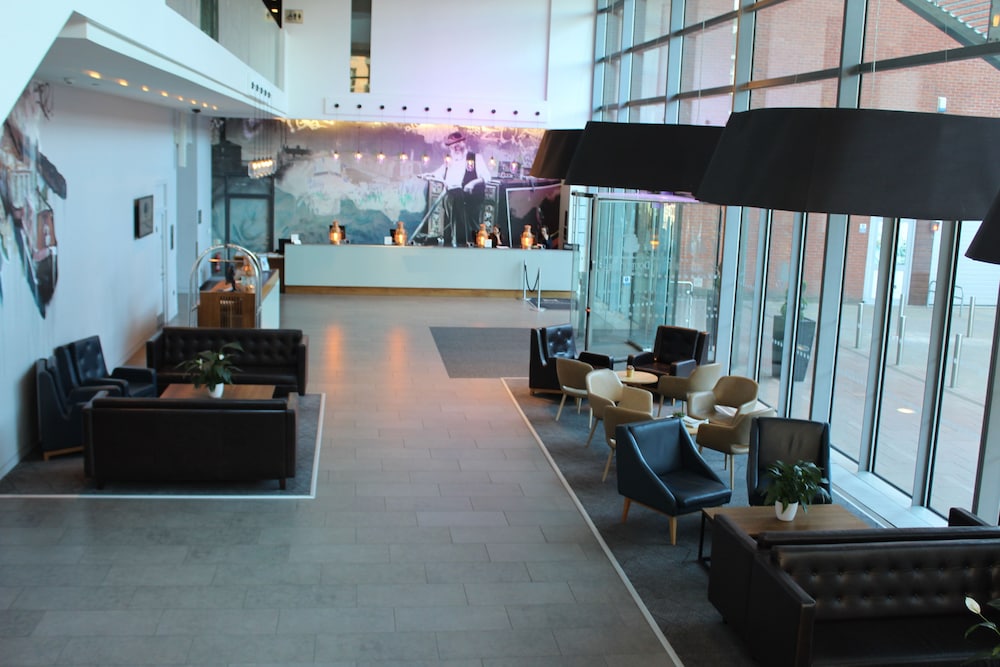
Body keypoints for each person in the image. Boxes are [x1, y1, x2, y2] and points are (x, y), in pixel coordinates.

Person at [423, 131, 492, 246]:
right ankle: (455, 242)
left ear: (463, 142)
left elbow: (486, 177)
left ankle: (465, 243)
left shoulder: (475, 158)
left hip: (470, 198)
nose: (456, 147)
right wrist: (428, 175)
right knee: (452, 221)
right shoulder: (449, 161)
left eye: (458, 144)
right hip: (452, 198)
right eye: (452, 145)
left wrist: (472, 183)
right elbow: (438, 174)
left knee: (471, 226)